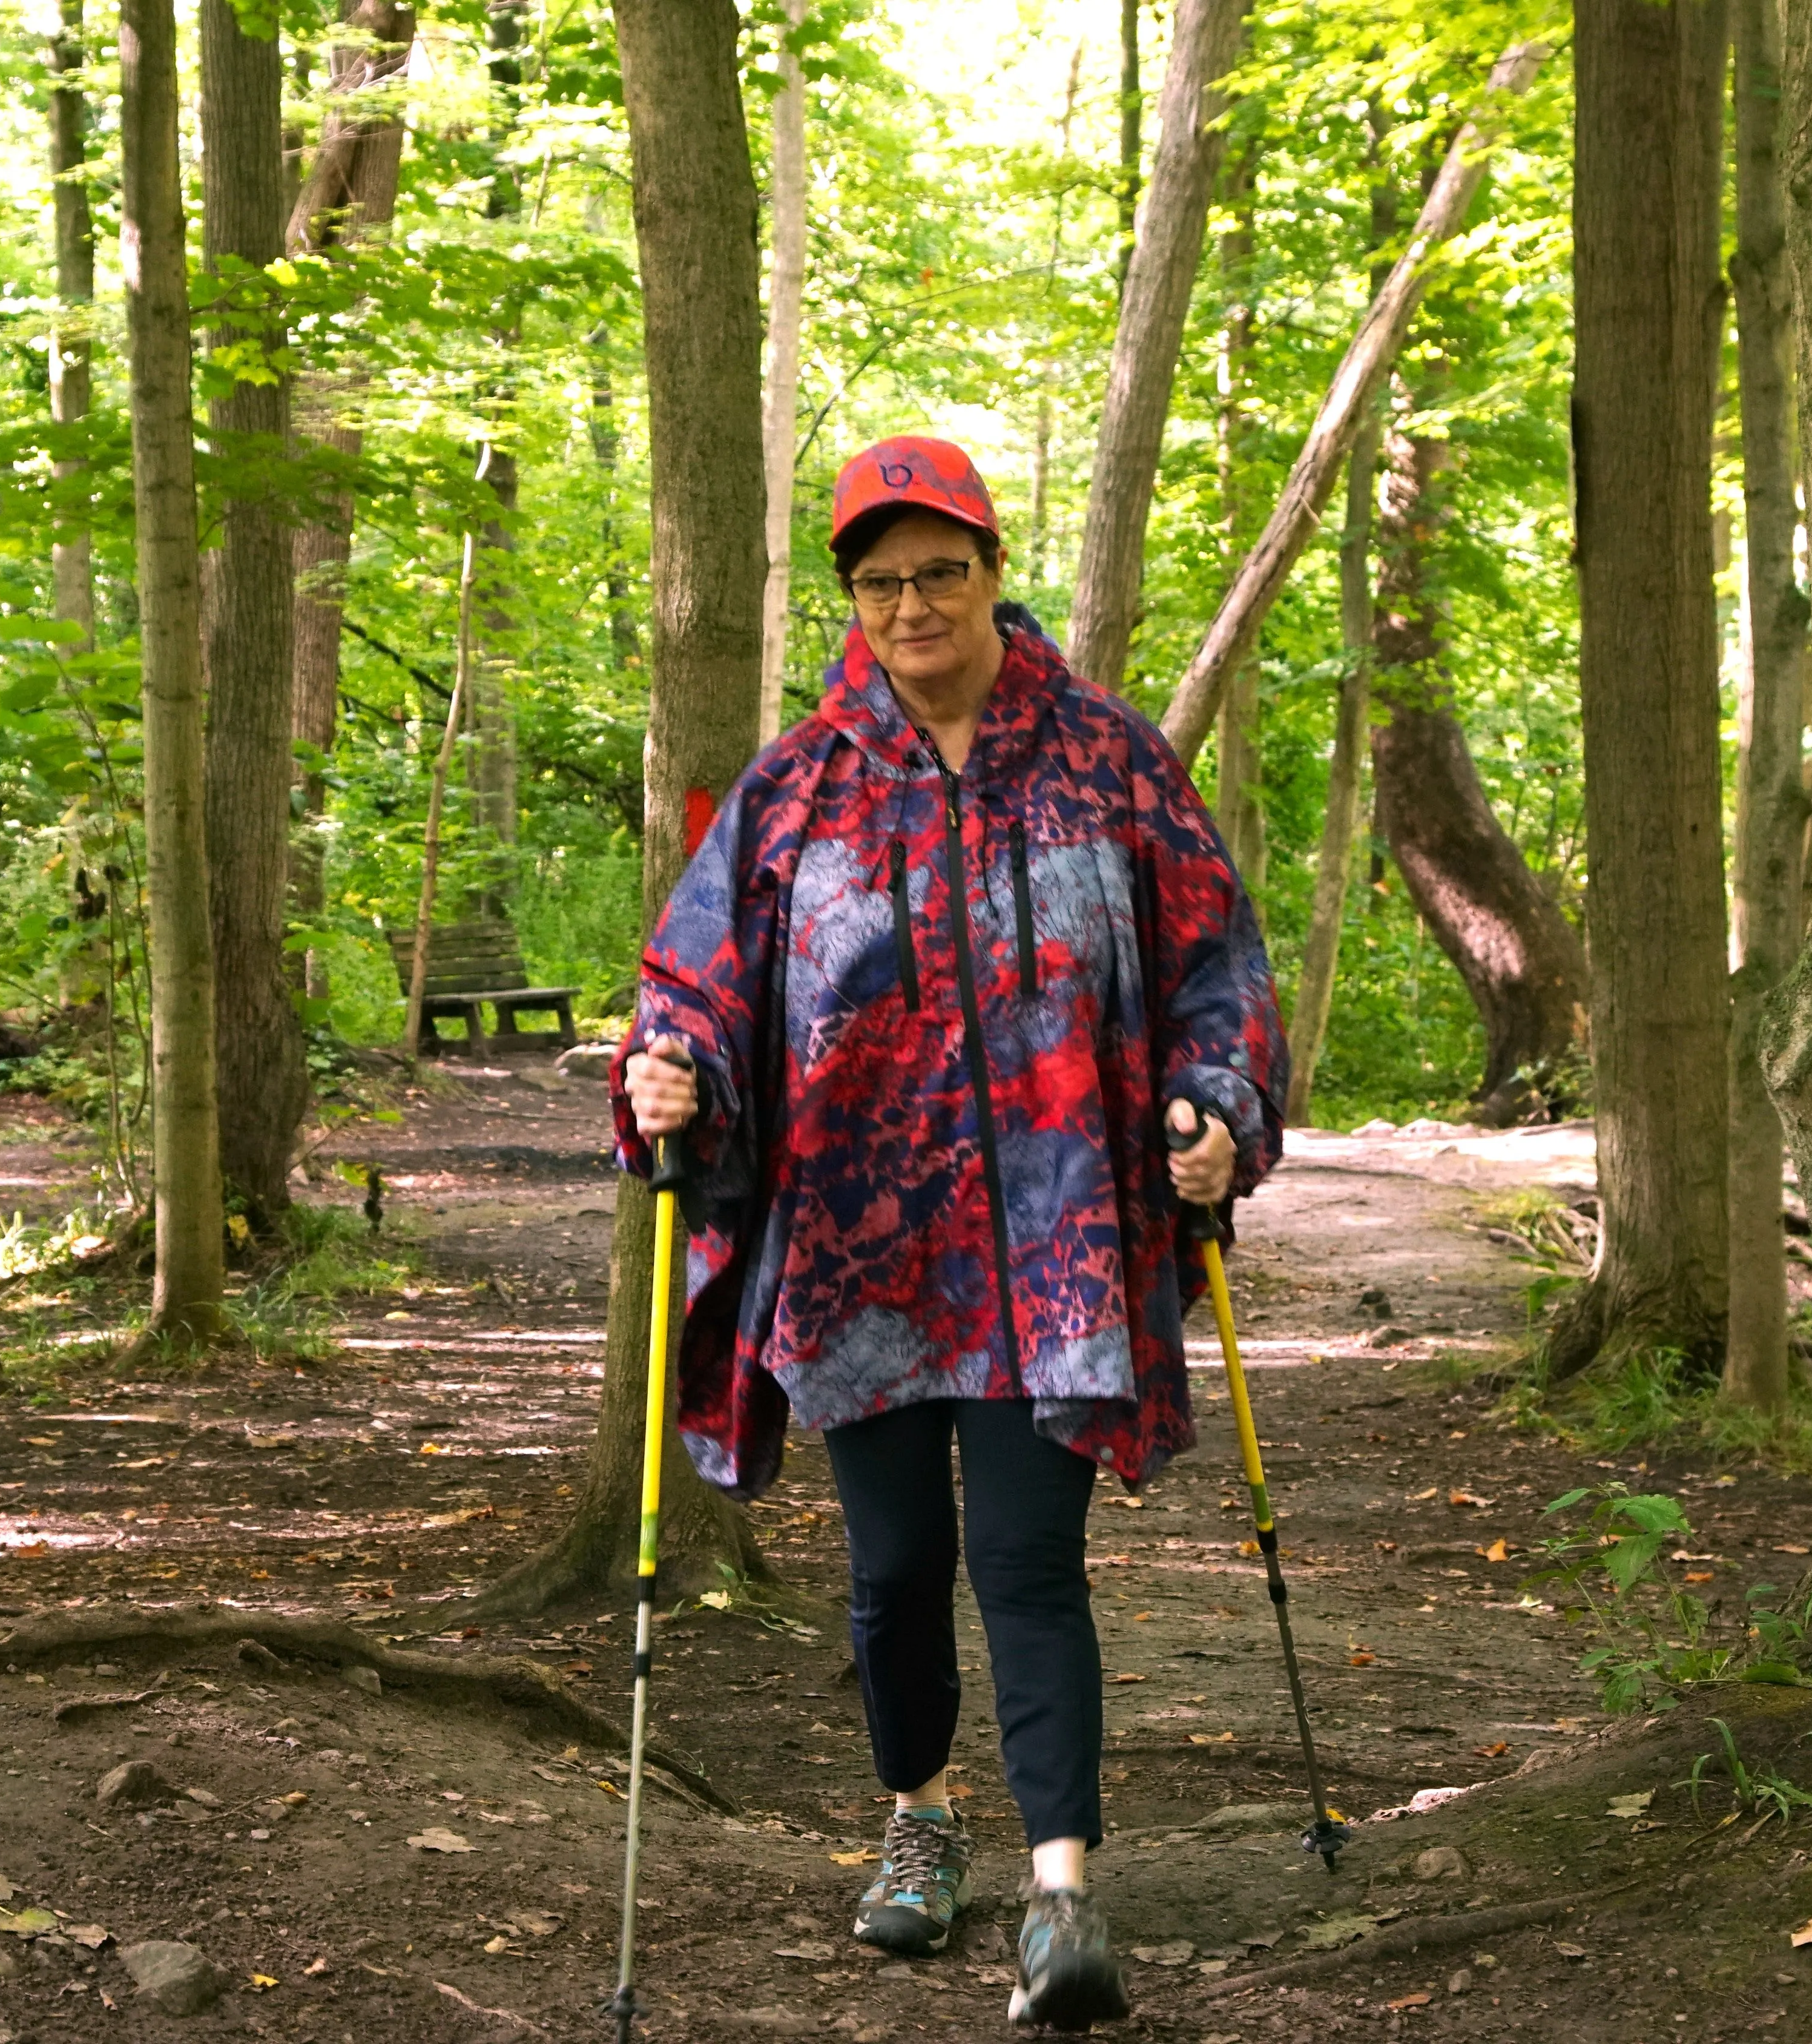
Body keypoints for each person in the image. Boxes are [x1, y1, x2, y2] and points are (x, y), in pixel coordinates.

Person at [614, 435, 1285, 2031]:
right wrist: (669, 1071)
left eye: (939, 571)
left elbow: (1217, 963)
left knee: (1026, 1563)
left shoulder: (1108, 756)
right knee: (899, 1566)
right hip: (859, 1247)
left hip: (1061, 1240)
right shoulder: (798, 781)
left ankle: (1062, 1895)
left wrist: (1214, 1103)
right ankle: (916, 1820)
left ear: (990, 569)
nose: (911, 603)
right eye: (879, 580)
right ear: (852, 598)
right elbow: (693, 977)